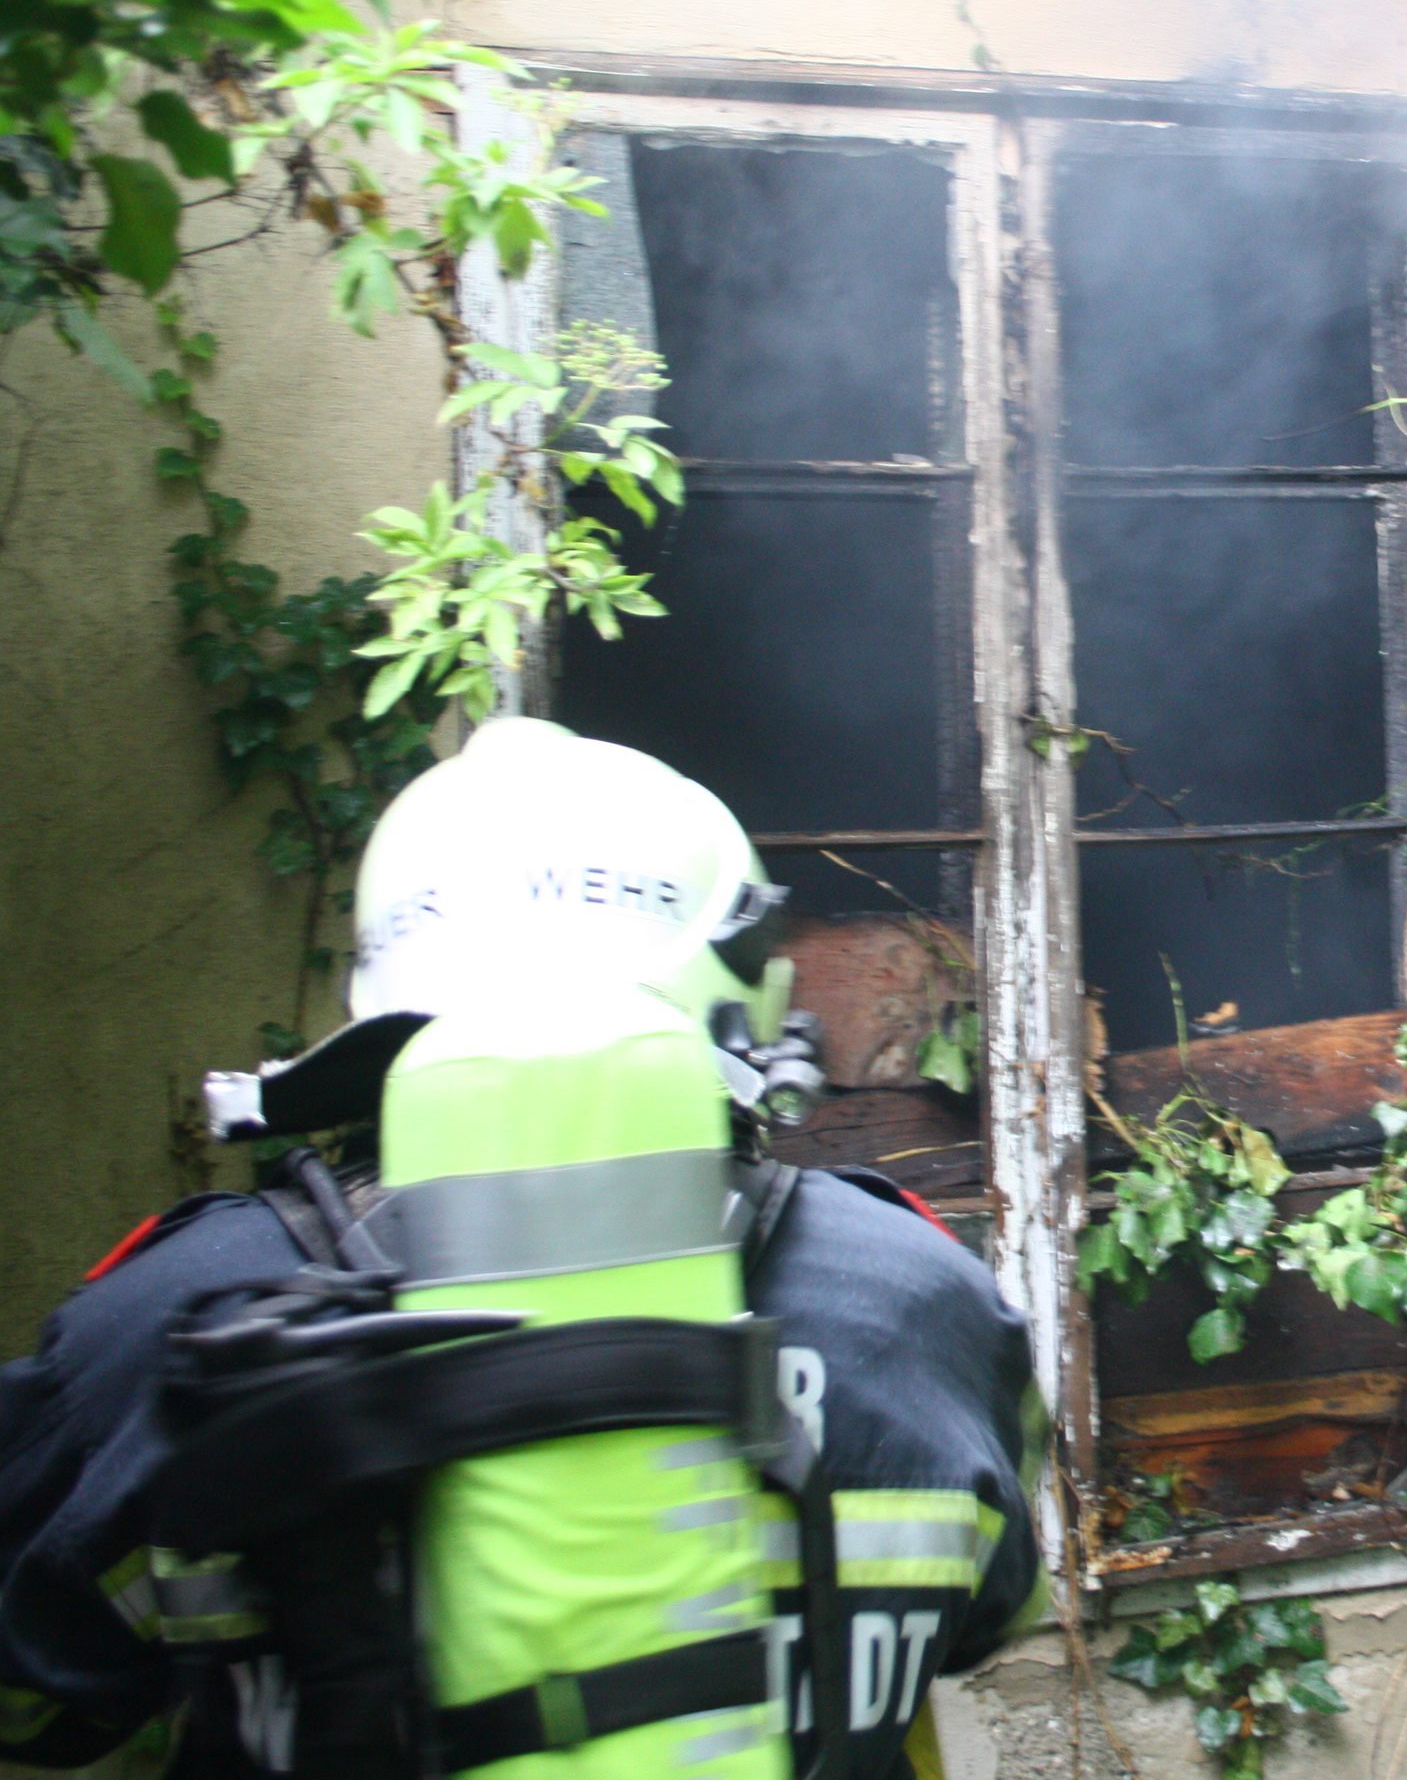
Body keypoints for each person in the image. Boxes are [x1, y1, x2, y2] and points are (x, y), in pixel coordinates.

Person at [0, 720, 1044, 1778]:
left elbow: (35, 1698)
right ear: (744, 992)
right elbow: (986, 1615)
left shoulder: (180, 1317)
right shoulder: (923, 1301)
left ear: (379, 993)